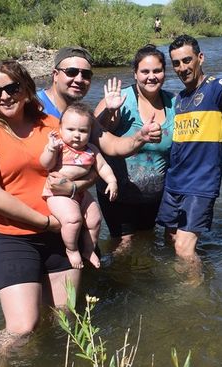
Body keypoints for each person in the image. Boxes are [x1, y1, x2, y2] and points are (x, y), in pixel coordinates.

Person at [0, 60, 84, 367]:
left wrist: (77, 186)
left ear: (27, 89)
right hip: (12, 238)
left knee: (65, 316)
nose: (4, 96)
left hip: (60, 236)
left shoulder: (51, 125)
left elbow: (87, 159)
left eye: (12, 88)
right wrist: (45, 223)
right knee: (23, 326)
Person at [0, 47, 162, 197]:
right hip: (25, 210)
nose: (79, 79)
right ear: (55, 74)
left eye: (86, 74)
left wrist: (140, 136)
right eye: (71, 72)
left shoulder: (79, 115)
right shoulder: (28, 104)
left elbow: (112, 145)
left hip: (67, 205)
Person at [156, 34, 222, 264]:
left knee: (183, 250)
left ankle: (197, 287)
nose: (182, 68)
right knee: (170, 239)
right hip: (175, 182)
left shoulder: (216, 88)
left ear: (200, 58)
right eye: (176, 63)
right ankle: (191, 276)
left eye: (187, 60)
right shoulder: (179, 99)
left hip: (201, 183)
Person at [93, 44, 175, 253]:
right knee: (124, 244)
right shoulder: (118, 99)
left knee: (147, 241)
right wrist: (109, 112)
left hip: (154, 197)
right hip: (117, 194)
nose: (151, 77)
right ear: (135, 74)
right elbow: (93, 134)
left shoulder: (173, 103)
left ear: (164, 72)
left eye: (157, 71)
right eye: (145, 71)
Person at [40, 102, 118, 269]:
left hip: (81, 193)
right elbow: (45, 164)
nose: (77, 135)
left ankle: (89, 249)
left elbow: (102, 167)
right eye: (71, 129)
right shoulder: (59, 146)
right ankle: (72, 249)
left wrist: (112, 181)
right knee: (73, 220)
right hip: (57, 194)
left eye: (83, 131)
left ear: (90, 132)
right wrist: (50, 149)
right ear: (60, 129)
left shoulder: (91, 150)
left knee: (95, 219)